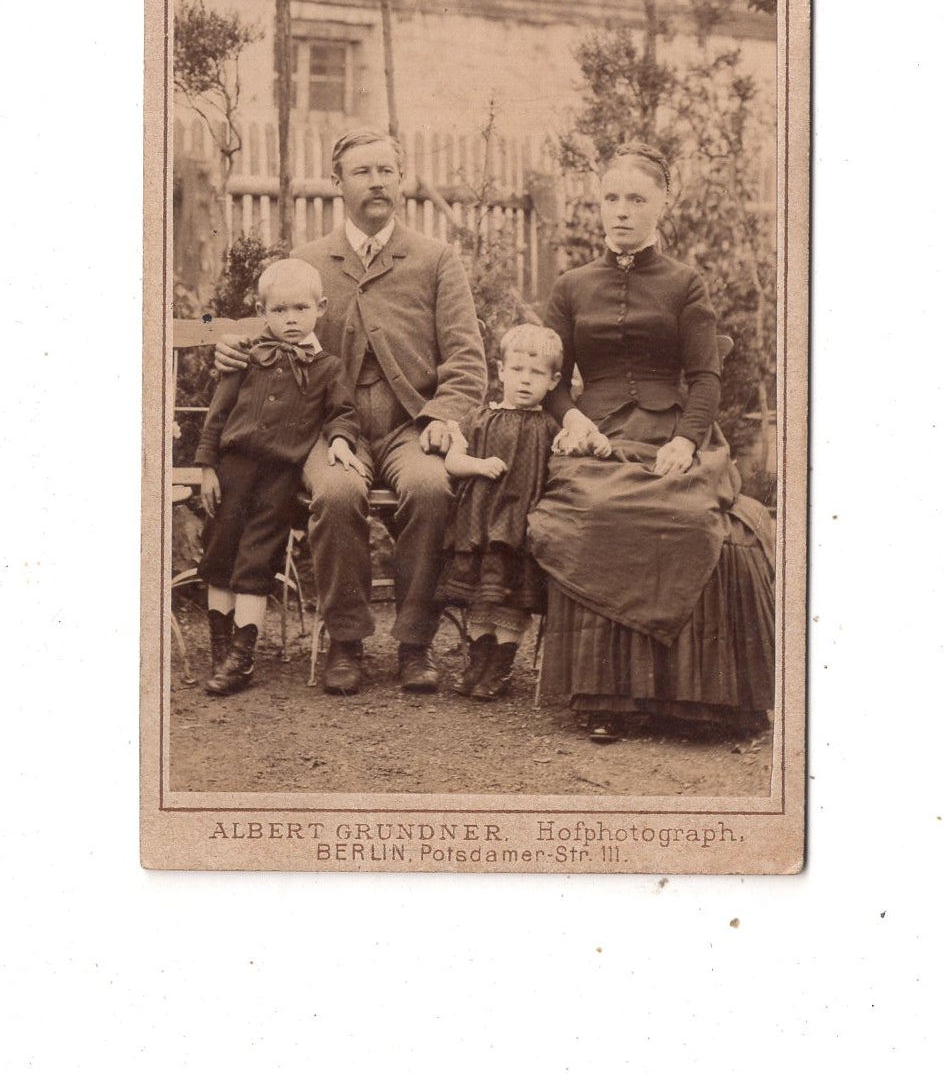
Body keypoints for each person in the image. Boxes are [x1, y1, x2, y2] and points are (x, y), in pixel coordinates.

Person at [215, 128, 487, 695]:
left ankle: (415, 644)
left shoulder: (436, 260)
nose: (378, 182)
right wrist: (231, 349)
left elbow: (466, 357)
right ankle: (346, 641)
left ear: (401, 178)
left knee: (430, 488)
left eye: (387, 170)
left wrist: (443, 414)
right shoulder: (309, 262)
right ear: (338, 183)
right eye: (363, 172)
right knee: (336, 495)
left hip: (412, 424)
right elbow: (274, 330)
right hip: (329, 427)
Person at [527, 143, 776, 743]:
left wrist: (689, 442)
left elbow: (708, 377)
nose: (622, 211)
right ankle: (608, 694)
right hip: (599, 438)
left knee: (692, 516)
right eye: (611, 198)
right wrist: (570, 420)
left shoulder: (685, 284)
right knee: (594, 508)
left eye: (637, 199)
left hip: (671, 433)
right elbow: (552, 381)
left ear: (663, 203)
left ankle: (691, 701)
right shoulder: (571, 286)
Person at [195, 258, 363, 696]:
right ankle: (221, 647)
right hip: (233, 472)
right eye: (279, 310)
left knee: (255, 559)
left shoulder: (328, 367)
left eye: (300, 309)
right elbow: (218, 414)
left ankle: (242, 654)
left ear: (320, 308)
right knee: (220, 553)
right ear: (262, 310)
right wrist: (207, 466)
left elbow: (341, 412)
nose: (290, 319)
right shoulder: (247, 355)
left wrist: (342, 440)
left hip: (279, 479)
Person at [438, 324, 563, 701]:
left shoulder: (550, 427)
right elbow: (452, 462)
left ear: (553, 380)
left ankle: (501, 663)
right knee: (480, 594)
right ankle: (477, 658)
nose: (525, 381)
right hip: (479, 522)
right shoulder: (479, 419)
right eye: (518, 370)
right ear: (501, 371)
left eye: (537, 373)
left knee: (512, 596)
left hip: (518, 525)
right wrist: (478, 466)